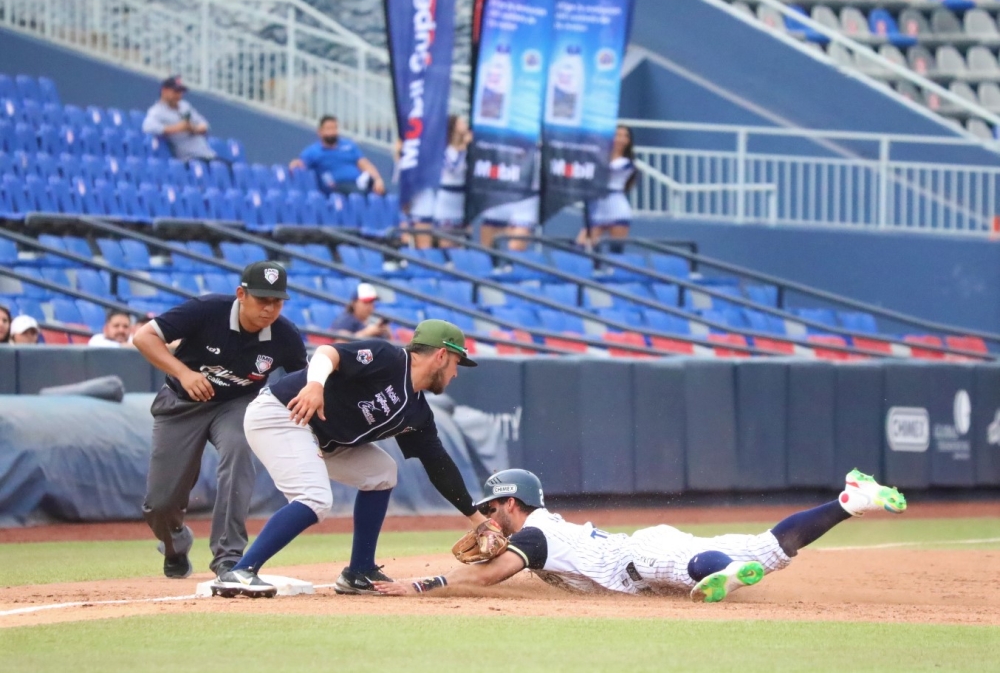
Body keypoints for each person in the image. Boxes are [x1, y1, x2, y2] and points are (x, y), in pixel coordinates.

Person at [208, 319, 486, 599]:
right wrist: (315, 385)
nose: (456, 373)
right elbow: (328, 352)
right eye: (455, 362)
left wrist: (476, 517)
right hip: (282, 413)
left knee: (382, 472)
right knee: (315, 498)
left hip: (322, 438)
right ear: (440, 355)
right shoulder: (390, 359)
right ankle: (241, 571)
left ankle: (359, 571)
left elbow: (438, 464)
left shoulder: (417, 413)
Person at [374, 467, 907, 602]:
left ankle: (722, 573)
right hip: (645, 551)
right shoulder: (541, 533)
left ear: (511, 503)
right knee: (771, 548)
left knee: (689, 568)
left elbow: (491, 577)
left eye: (491, 507)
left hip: (642, 554)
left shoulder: (533, 534)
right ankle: (849, 500)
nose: (486, 517)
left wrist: (420, 585)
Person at [131, 261, 308, 579]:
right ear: (241, 294)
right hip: (182, 403)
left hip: (237, 405)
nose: (270, 308)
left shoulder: (285, 336)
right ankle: (175, 544)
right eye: (261, 299)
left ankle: (229, 555)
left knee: (239, 453)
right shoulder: (207, 310)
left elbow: (303, 382)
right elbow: (144, 337)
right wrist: (184, 373)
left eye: (277, 301)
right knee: (160, 502)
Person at [289, 115, 386, 197]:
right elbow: (299, 164)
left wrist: (378, 179)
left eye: (334, 128)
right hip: (337, 187)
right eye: (328, 129)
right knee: (359, 194)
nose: (332, 132)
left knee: (384, 194)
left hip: (359, 182)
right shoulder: (313, 151)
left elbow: (364, 164)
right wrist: (295, 164)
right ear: (320, 132)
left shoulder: (349, 146)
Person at [581, 125, 636, 253]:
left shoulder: (626, 163)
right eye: (617, 135)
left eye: (625, 136)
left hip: (616, 208)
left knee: (616, 251)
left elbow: (604, 172)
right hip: (597, 208)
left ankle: (614, 272)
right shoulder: (599, 156)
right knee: (581, 246)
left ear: (629, 141)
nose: (621, 139)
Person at [142, 76, 221, 163]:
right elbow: (147, 126)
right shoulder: (157, 111)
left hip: (208, 155)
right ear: (164, 91)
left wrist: (193, 129)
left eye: (180, 92)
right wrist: (178, 128)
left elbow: (204, 124)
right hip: (191, 159)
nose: (179, 95)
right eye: (175, 92)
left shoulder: (184, 106)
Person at [430, 115, 472, 249]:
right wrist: (465, 146)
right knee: (446, 243)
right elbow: (453, 167)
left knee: (459, 244)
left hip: (460, 201)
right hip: (446, 200)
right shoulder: (445, 150)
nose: (465, 124)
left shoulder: (469, 150)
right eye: (462, 122)